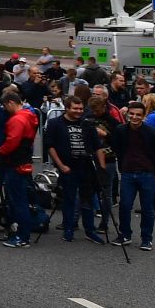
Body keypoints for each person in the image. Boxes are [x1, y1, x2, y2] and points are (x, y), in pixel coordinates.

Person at [110, 102, 155, 250]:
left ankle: (146, 238)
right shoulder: (121, 130)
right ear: (127, 114)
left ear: (143, 116)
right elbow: (116, 147)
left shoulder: (152, 132)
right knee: (124, 205)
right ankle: (125, 235)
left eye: (138, 114)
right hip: (127, 173)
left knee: (147, 208)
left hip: (147, 174)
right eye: (131, 114)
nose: (134, 117)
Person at [44, 94, 105, 243]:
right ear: (67, 108)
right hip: (67, 166)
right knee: (69, 199)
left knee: (88, 199)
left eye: (81, 109)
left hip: (86, 165)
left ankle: (90, 230)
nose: (78, 111)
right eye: (75, 108)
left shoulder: (87, 124)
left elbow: (97, 146)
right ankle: (69, 228)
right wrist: (61, 165)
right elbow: (50, 146)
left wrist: (101, 167)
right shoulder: (55, 123)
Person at [0, 87, 38, 247]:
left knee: (18, 201)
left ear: (11, 103)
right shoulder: (30, 115)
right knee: (20, 199)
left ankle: (22, 237)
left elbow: (12, 142)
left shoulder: (17, 119)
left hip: (14, 163)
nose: (5, 110)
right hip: (23, 160)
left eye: (5, 106)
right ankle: (22, 233)